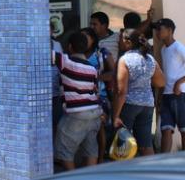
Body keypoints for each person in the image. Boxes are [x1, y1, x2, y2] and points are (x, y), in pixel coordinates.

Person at [53, 32, 102, 171]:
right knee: (91, 150)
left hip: (77, 114)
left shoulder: (65, 61)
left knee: (64, 151)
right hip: (94, 113)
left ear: (69, 47)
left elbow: (41, 52)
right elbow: (95, 90)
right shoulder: (92, 69)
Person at [113, 27, 165, 156]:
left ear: (128, 42)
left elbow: (121, 91)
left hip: (129, 105)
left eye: (120, 40)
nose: (118, 43)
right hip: (147, 105)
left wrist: (116, 115)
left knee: (123, 144)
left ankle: (126, 175)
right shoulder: (150, 59)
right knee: (146, 144)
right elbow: (161, 82)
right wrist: (144, 79)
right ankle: (153, 174)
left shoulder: (124, 60)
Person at [81, 27, 115, 163]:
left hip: (100, 97)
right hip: (82, 98)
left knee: (99, 129)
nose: (82, 40)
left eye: (85, 37)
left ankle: (100, 159)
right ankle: (89, 159)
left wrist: (96, 77)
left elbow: (114, 73)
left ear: (93, 39)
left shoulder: (102, 53)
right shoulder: (77, 53)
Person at [154, 18, 185, 153]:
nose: (157, 33)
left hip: (180, 95)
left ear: (170, 31)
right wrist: (160, 95)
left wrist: (179, 83)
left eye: (159, 29)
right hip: (166, 95)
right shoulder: (163, 49)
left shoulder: (179, 47)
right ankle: (163, 161)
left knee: (184, 130)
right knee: (166, 129)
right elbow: (164, 73)